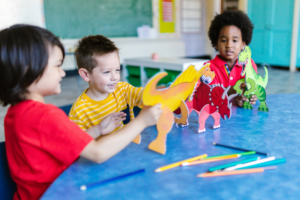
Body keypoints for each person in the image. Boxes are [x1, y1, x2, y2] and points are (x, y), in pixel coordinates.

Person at [0, 24, 162, 200]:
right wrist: (142, 121)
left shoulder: (16, 112)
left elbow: (66, 146)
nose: (62, 73)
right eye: (57, 66)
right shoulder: (44, 116)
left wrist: (98, 130)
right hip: (57, 194)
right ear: (27, 69)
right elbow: (97, 153)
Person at [68, 35, 144, 143]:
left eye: (117, 70)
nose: (115, 77)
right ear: (85, 75)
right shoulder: (79, 111)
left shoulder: (122, 89)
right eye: (107, 72)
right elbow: (75, 143)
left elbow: (144, 94)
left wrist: (164, 90)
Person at [205, 10, 258, 107]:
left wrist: (250, 96)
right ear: (216, 44)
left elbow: (253, 88)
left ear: (243, 44)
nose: (229, 45)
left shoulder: (249, 65)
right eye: (224, 40)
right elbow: (211, 95)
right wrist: (233, 91)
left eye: (234, 40)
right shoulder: (208, 68)